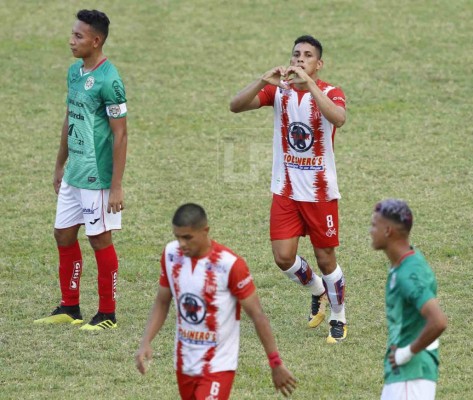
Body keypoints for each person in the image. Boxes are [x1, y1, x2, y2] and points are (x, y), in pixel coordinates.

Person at [229, 35, 348, 343]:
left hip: (320, 194)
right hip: (286, 190)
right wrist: (260, 81)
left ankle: (339, 317)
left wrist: (309, 84)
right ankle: (318, 290)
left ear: (318, 64)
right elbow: (235, 106)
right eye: (296, 54)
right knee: (283, 258)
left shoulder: (331, 92)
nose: (299, 59)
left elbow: (339, 118)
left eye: (307, 56)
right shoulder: (278, 92)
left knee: (325, 259)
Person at [135, 203, 297, 399]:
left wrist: (275, 362)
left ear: (205, 231)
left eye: (187, 237)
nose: (182, 244)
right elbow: (162, 301)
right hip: (184, 361)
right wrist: (146, 341)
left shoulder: (229, 265)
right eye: (177, 237)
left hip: (218, 365)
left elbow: (258, 315)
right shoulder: (171, 254)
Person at [34, 9, 128, 330]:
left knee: (99, 239)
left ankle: (107, 314)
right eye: (72, 34)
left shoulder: (110, 80)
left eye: (78, 36)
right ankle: (70, 306)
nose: (71, 41)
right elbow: (69, 117)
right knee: (62, 233)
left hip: (98, 176)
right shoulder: (75, 72)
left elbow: (120, 133)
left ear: (96, 40)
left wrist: (116, 186)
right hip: (75, 172)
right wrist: (60, 163)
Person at [370, 199, 448, 400]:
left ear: (388, 230)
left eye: (373, 226)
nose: (370, 232)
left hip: (411, 376)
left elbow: (438, 321)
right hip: (404, 376)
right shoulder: (405, 263)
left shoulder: (409, 273)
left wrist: (406, 353)